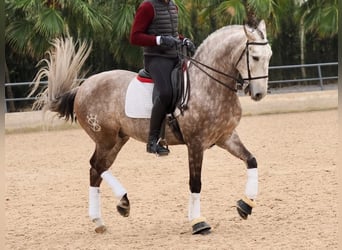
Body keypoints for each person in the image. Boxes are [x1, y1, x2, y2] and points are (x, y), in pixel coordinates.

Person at [130, 0, 195, 156]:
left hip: (175, 56)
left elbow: (171, 33)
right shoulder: (147, 7)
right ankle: (152, 141)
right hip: (156, 58)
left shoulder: (173, 6)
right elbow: (135, 37)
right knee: (165, 92)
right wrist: (159, 40)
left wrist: (182, 39)